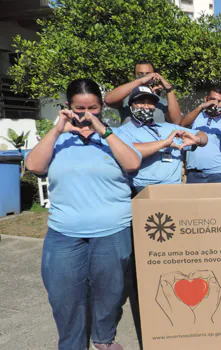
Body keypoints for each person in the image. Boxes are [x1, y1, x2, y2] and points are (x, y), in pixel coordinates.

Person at [25, 79, 142, 350]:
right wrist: (57, 130)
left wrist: (103, 130)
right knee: (64, 297)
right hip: (65, 233)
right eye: (80, 108)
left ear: (102, 107)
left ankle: (103, 338)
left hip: (112, 231)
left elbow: (133, 163)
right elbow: (34, 165)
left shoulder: (115, 136)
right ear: (68, 107)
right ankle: (72, 344)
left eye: (93, 108)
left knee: (110, 293)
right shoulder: (58, 138)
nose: (87, 113)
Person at [116, 86, 207, 194]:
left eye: (150, 103)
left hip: (174, 188)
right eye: (141, 102)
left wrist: (197, 139)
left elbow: (203, 136)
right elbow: (129, 151)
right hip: (143, 189)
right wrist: (164, 143)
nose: (146, 106)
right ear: (131, 105)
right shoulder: (123, 131)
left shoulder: (169, 127)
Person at [181, 87, 221, 183]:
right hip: (194, 173)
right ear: (206, 99)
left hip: (217, 173)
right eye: (212, 99)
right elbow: (183, 125)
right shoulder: (196, 116)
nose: (215, 103)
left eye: (219, 101)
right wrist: (201, 107)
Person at [104, 61, 182, 125]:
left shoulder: (161, 102)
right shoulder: (126, 98)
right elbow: (108, 99)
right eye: (140, 74)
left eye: (148, 74)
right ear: (134, 76)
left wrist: (169, 89)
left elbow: (176, 121)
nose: (145, 77)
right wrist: (141, 81)